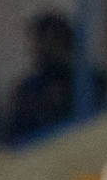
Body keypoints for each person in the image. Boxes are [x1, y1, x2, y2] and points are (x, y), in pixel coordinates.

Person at [7, 11, 76, 141]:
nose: (43, 49)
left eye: (53, 42)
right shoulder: (27, 91)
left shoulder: (88, 85)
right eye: (39, 43)